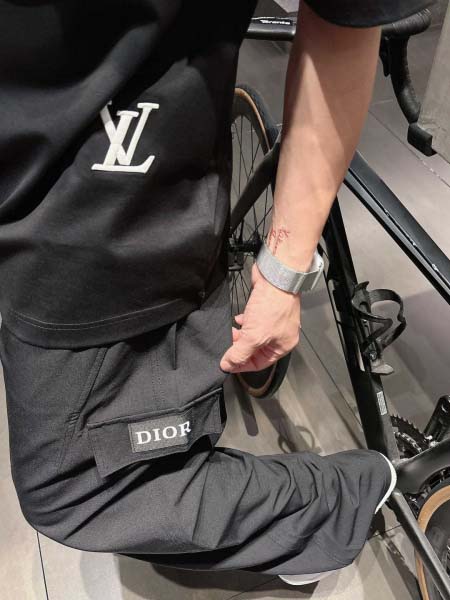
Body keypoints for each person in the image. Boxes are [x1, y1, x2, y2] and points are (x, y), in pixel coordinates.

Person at [0, 0, 431, 586]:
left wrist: (283, 274)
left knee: (76, 490)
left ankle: (347, 495)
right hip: (42, 198)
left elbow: (345, 22)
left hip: (108, 217)